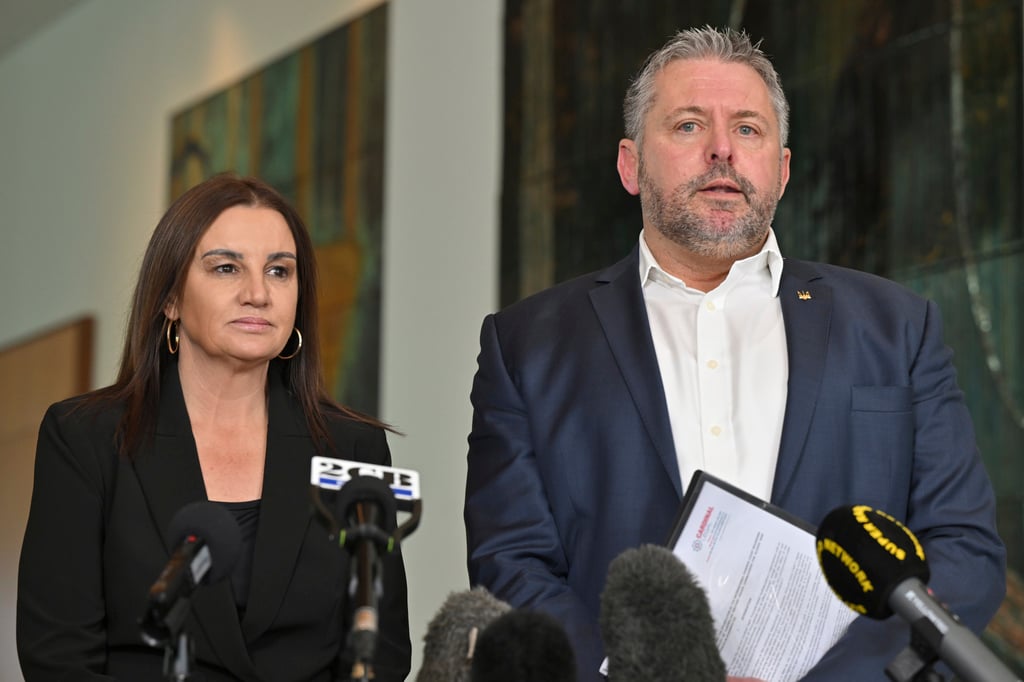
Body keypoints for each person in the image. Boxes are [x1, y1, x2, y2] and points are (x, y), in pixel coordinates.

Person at [463, 26, 1005, 681]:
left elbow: (964, 553)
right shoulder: (528, 346)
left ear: (782, 168)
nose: (722, 149)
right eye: (689, 125)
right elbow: (510, 561)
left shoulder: (898, 328)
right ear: (631, 165)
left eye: (748, 129)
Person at [17, 174, 412, 681]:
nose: (258, 293)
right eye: (226, 268)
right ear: (170, 298)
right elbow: (59, 658)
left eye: (279, 271)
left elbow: (380, 651)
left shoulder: (353, 448)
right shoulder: (84, 438)